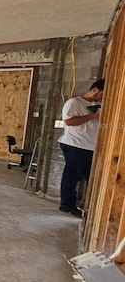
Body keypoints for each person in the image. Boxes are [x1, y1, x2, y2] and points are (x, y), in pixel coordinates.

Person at [57, 78, 105, 217]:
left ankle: (94, 207)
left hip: (91, 147)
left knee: (93, 178)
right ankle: (67, 205)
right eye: (103, 94)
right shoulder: (74, 103)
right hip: (75, 145)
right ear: (95, 90)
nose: (103, 98)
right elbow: (69, 121)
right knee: (72, 177)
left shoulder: (96, 104)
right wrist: (94, 115)